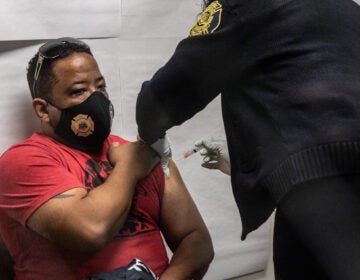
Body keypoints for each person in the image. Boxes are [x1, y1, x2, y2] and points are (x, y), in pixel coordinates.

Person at [135, 0, 360, 279]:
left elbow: (167, 93)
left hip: (327, 189)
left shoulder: (242, 5)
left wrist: (149, 136)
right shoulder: (346, 8)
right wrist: (246, 158)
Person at [0, 37, 214, 280]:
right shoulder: (22, 161)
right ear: (42, 110)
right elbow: (90, 230)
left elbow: (196, 240)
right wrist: (128, 168)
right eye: (79, 91)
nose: (97, 99)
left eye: (100, 87)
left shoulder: (142, 151)